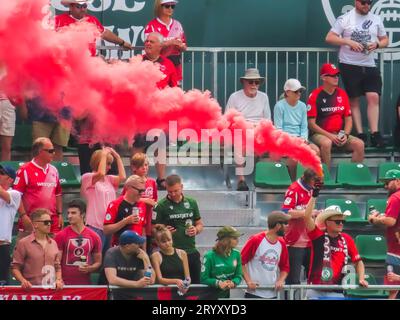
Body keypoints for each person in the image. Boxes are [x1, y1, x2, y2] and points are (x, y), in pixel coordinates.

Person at [325, 0, 389, 148]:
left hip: (369, 63)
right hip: (349, 63)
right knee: (353, 99)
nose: (367, 6)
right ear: (356, 2)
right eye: (363, 3)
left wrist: (377, 44)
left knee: (373, 96)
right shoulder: (345, 18)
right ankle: (360, 133)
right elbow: (329, 37)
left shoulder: (376, 19)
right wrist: (348, 41)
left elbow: (385, 39)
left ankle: (375, 133)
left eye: (369, 2)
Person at [304, 182, 368, 299]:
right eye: (337, 221)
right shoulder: (318, 235)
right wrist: (313, 196)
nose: (341, 224)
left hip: (337, 291)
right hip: (315, 290)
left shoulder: (347, 238)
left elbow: (358, 261)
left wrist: (361, 278)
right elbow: (306, 217)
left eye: (342, 221)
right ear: (327, 222)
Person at [132, 32, 178, 191]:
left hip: (161, 112)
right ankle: (138, 178)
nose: (148, 43)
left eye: (152, 41)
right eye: (146, 41)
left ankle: (161, 179)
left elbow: (174, 88)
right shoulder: (137, 61)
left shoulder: (169, 64)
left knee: (161, 145)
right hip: (141, 111)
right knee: (139, 144)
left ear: (160, 46)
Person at [307, 63, 365, 169]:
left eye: (337, 75)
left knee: (359, 144)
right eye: (332, 75)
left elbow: (348, 119)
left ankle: (352, 177)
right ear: (323, 77)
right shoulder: (315, 95)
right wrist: (330, 136)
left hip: (339, 134)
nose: (336, 78)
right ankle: (326, 178)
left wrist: (345, 134)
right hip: (320, 134)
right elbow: (311, 124)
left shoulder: (342, 94)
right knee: (326, 143)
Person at [225, 68, 271, 191]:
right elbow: (228, 118)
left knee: (272, 144)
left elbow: (267, 119)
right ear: (244, 82)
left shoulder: (264, 97)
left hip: (258, 130)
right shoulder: (234, 97)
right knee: (240, 142)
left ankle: (264, 179)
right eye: (251, 82)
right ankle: (241, 180)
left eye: (257, 82)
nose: (254, 85)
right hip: (241, 130)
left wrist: (258, 128)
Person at [152, 174, 204, 284]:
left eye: (176, 191)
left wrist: (196, 230)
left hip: (191, 251)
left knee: (196, 286)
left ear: (182, 187)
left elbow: (200, 224)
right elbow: (153, 229)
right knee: (177, 286)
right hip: (171, 254)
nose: (173, 194)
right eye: (169, 191)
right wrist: (164, 231)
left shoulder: (192, 202)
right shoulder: (160, 206)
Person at [14, 137, 63, 238]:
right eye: (51, 151)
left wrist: (60, 214)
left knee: (53, 252)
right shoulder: (25, 170)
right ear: (40, 152)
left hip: (51, 221)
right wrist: (23, 216)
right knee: (26, 251)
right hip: (31, 221)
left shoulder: (54, 170)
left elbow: (58, 193)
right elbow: (16, 195)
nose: (54, 153)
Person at [80, 147, 126, 251]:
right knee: (94, 258)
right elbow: (100, 173)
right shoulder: (87, 177)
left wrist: (117, 157)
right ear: (99, 162)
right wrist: (104, 155)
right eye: (107, 163)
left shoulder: (109, 179)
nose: (109, 167)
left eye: (110, 164)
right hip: (94, 226)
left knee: (105, 260)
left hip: (108, 226)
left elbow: (122, 177)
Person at [274, 79, 320, 180]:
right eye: (296, 91)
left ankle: (309, 181)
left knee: (316, 151)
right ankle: (294, 183)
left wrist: (303, 139)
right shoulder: (279, 106)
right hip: (285, 141)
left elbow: (304, 126)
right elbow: (278, 129)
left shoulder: (303, 106)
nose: (299, 93)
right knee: (294, 156)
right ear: (287, 92)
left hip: (300, 140)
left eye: (300, 91)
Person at [281, 169, 318, 288]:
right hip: (295, 243)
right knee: (293, 281)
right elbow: (286, 212)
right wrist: (306, 213)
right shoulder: (294, 189)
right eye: (315, 181)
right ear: (309, 179)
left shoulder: (312, 190)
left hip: (310, 241)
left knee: (313, 279)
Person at [241, 211, 290, 299]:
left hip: (272, 293)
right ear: (278, 225)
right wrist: (248, 281)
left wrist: (281, 280)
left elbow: (285, 267)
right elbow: (240, 262)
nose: (288, 226)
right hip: (254, 293)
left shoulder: (282, 243)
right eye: (286, 223)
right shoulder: (256, 240)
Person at [11, 209, 63, 289]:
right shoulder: (23, 243)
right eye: (46, 222)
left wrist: (58, 280)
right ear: (35, 224)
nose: (49, 224)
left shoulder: (53, 243)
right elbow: (15, 268)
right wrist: (23, 281)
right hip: (31, 291)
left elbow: (57, 267)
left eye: (50, 222)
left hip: (51, 292)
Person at [368, 169, 400, 299]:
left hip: (396, 252)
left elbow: (390, 221)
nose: (385, 186)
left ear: (398, 181)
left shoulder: (395, 197)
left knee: (393, 290)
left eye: (388, 182)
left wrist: (375, 219)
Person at [56, 0, 132, 54]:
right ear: (70, 7)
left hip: (89, 63)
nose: (82, 9)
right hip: (66, 63)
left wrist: (122, 42)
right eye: (78, 6)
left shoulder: (92, 20)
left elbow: (105, 33)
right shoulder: (58, 20)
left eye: (84, 6)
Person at [54, 199, 102, 285]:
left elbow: (98, 262)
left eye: (73, 213)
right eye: (68, 213)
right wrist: (58, 279)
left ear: (82, 214)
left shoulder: (94, 236)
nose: (69, 216)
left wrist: (90, 268)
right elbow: (57, 262)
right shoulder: (61, 235)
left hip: (85, 284)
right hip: (64, 284)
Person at [144, 0, 187, 83]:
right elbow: (149, 47)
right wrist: (170, 42)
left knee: (175, 92)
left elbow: (184, 47)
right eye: (167, 6)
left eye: (172, 6)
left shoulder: (178, 25)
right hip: (158, 65)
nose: (170, 8)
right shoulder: (151, 25)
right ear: (159, 7)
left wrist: (181, 46)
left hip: (175, 65)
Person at [104, 230, 155, 298]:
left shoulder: (140, 255)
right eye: (137, 243)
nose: (140, 245)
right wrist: (136, 284)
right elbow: (112, 279)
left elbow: (151, 280)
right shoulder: (111, 253)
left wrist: (146, 259)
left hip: (133, 294)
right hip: (114, 293)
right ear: (127, 246)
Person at [103, 175, 147, 247]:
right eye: (139, 191)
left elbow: (143, 229)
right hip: (120, 249)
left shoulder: (142, 204)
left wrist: (144, 251)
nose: (141, 194)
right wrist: (125, 221)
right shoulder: (115, 204)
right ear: (128, 187)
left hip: (137, 249)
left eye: (143, 190)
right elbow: (106, 230)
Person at [201, 226, 243, 299]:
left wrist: (233, 282)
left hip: (225, 296)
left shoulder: (237, 254)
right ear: (225, 240)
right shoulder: (209, 256)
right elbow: (203, 279)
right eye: (234, 238)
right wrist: (218, 283)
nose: (238, 240)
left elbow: (238, 275)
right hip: (209, 296)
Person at [130, 153, 158, 255]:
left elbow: (154, 200)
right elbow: (126, 199)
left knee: (149, 251)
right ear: (134, 167)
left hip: (149, 220)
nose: (144, 168)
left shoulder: (152, 182)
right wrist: (144, 200)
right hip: (136, 221)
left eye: (146, 165)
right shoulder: (130, 182)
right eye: (141, 166)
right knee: (137, 250)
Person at [151, 225, 190, 294]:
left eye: (169, 240)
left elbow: (187, 277)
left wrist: (186, 285)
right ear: (157, 242)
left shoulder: (182, 253)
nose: (167, 243)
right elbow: (160, 279)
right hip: (164, 292)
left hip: (181, 290)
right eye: (164, 242)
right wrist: (176, 281)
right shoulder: (155, 256)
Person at [0, 165, 21, 284]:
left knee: (2, 286)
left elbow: (4, 195)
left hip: (2, 246)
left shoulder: (14, 193)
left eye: (2, 173)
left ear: (10, 180)